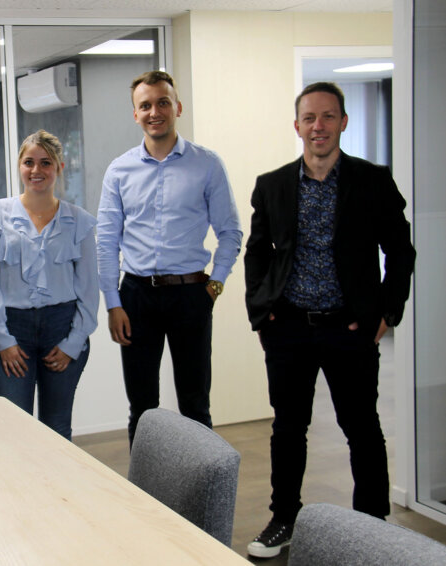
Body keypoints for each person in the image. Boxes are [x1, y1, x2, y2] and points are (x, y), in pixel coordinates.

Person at [244, 82, 416, 558]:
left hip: (350, 327)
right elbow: (256, 253)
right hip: (290, 327)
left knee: (361, 427)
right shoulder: (273, 184)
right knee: (288, 427)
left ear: (343, 122)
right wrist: (263, 314)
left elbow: (400, 251)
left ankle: (373, 528)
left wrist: (387, 311)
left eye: (327, 116)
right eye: (309, 118)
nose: (317, 126)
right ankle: (284, 520)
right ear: (296, 125)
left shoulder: (372, 180)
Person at [97, 70, 242, 445]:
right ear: (135, 114)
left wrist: (216, 283)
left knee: (195, 405)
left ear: (177, 107)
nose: (154, 111)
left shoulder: (207, 164)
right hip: (136, 298)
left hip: (191, 294)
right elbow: (107, 240)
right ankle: (143, 498)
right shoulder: (119, 170)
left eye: (163, 102)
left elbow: (230, 232)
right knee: (142, 407)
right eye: (145, 105)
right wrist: (113, 303)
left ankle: (199, 498)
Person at [0, 130, 98, 440]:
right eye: (29, 162)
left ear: (59, 168)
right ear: (19, 166)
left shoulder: (79, 222)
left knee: (57, 429)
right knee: (14, 431)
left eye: (45, 163)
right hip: (11, 330)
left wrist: (74, 342)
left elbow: (88, 289)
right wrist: (2, 339)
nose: (36, 170)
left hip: (62, 329)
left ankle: (57, 490)